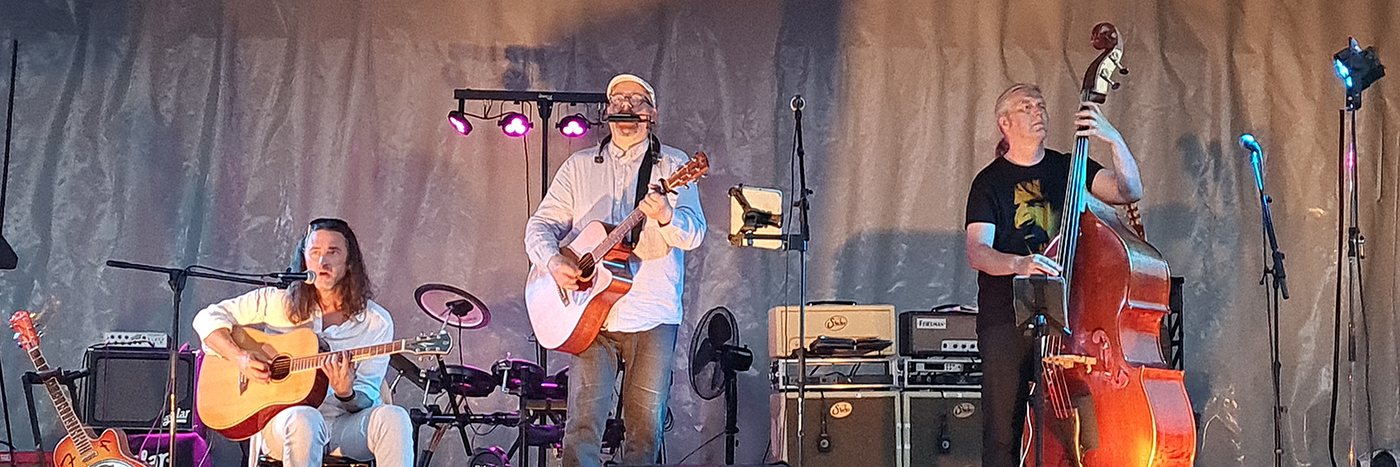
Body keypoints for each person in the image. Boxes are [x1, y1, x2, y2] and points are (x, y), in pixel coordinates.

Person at [524, 73, 706, 467]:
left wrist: (667, 215)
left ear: (651, 114)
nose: (626, 106)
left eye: (636, 100)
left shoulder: (673, 165)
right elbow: (539, 226)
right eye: (618, 100)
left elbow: (695, 234)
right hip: (590, 318)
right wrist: (554, 262)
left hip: (652, 314)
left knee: (644, 432)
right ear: (607, 111)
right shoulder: (579, 166)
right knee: (581, 430)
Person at [964, 83, 1143, 467]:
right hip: (1005, 320)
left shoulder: (1067, 167)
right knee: (1002, 435)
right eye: (1027, 106)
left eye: (1041, 105)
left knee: (1076, 423)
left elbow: (1128, 190)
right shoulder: (989, 182)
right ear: (1005, 122)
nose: (1038, 111)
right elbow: (977, 251)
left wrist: (1113, 139)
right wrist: (1018, 264)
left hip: (1067, 319)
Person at [192, 218, 413, 467]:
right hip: (284, 423)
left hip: (344, 426)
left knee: (395, 417)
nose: (323, 262)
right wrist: (240, 358)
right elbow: (207, 318)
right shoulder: (279, 302)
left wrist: (346, 393)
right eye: (315, 252)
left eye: (333, 252)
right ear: (304, 258)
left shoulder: (376, 322)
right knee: (305, 419)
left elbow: (368, 395)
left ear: (349, 263)